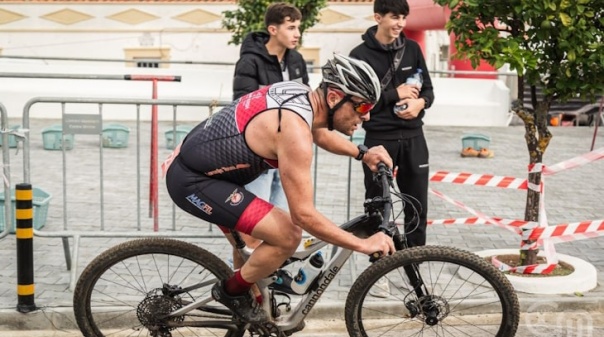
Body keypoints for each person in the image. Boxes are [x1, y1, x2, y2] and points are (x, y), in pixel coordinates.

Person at [164, 54, 395, 324]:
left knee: (254, 253)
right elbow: (304, 216)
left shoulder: (303, 96)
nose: (366, 116)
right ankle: (230, 293)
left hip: (207, 167)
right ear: (334, 97)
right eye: (362, 106)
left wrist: (362, 154)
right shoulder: (293, 132)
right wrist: (363, 244)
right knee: (287, 235)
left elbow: (318, 131)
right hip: (193, 180)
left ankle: (251, 314)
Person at [230, 2, 310, 276]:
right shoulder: (250, 61)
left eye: (298, 26)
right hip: (259, 158)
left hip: (287, 156)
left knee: (281, 225)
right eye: (291, 27)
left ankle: (267, 285)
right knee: (250, 231)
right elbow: (243, 105)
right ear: (273, 29)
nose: (297, 32)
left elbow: (306, 101)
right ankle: (241, 288)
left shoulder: (296, 60)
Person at [350, 0, 434, 250]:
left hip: (414, 137)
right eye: (395, 17)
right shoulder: (359, 55)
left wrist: (421, 103)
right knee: (378, 206)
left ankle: (415, 262)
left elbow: (428, 89)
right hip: (378, 138)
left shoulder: (412, 48)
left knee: (417, 205)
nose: (401, 24)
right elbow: (357, 102)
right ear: (378, 17)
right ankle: (380, 263)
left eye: (403, 18)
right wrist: (394, 95)